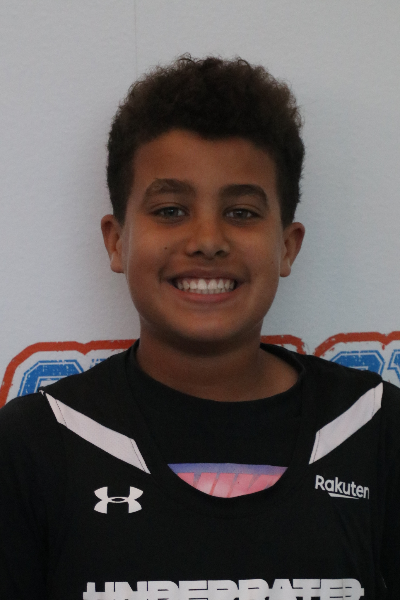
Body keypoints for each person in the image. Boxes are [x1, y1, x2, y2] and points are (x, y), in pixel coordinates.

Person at [0, 55, 399, 600]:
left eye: (241, 212)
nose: (207, 240)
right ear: (116, 241)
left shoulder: (374, 429)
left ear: (287, 246)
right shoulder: (35, 445)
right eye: (170, 210)